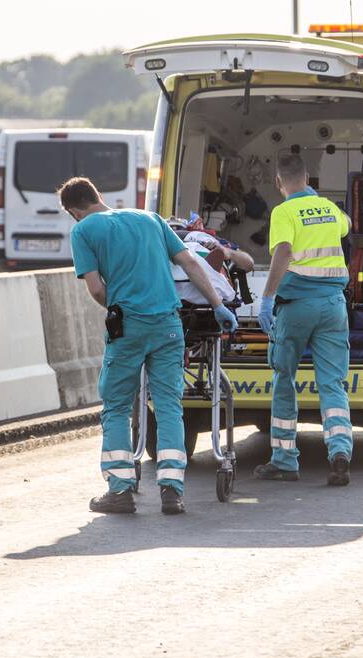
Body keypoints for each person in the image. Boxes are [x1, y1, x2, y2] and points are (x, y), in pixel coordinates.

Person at [60, 177, 238, 515]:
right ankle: (172, 492)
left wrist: (120, 309)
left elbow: (97, 290)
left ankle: (121, 491)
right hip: (169, 325)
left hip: (129, 326)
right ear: (99, 195)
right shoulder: (150, 218)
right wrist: (217, 305)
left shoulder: (83, 231)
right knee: (169, 404)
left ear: (73, 211)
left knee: (116, 405)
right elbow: (190, 262)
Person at [254, 155, 354, 486]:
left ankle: (284, 460)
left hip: (296, 307)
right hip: (333, 306)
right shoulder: (328, 207)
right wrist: (318, 203)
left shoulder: (283, 212)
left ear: (278, 183)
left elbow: (282, 252)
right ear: (308, 177)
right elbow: (347, 226)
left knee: (285, 378)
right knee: (332, 383)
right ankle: (339, 452)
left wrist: (267, 298)